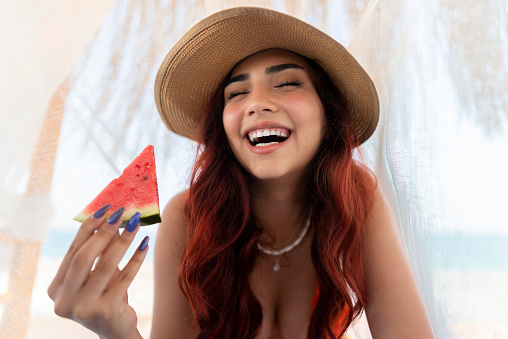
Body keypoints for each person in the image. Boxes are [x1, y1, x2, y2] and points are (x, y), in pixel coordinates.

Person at [48, 7, 434, 339]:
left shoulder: (357, 197)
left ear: (327, 112)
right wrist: (117, 331)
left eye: (286, 83)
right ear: (223, 125)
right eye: (236, 94)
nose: (257, 103)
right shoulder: (187, 217)